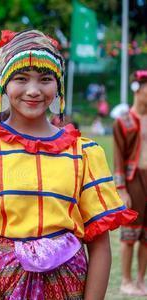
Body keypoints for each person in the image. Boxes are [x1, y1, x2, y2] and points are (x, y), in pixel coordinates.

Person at [0, 29, 137, 299]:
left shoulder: (84, 152)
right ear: (2, 83)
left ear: (58, 86)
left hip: (69, 287)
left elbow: (99, 247)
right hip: (2, 287)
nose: (33, 90)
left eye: (45, 79)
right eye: (21, 78)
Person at [114, 69, 147, 296]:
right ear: (138, 89)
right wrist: (121, 188)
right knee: (129, 235)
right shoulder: (123, 122)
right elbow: (117, 158)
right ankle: (125, 280)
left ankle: (140, 279)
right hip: (134, 180)